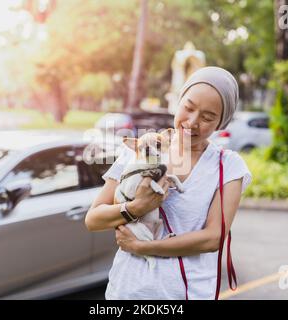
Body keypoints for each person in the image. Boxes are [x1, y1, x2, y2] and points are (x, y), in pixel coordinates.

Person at [85, 66, 252, 300]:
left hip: (188, 294)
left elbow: (213, 238)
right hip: (127, 291)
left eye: (207, 117)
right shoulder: (142, 147)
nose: (192, 122)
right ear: (179, 100)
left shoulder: (228, 166)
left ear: (221, 123)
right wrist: (136, 208)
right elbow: (93, 219)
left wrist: (143, 247)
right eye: (188, 108)